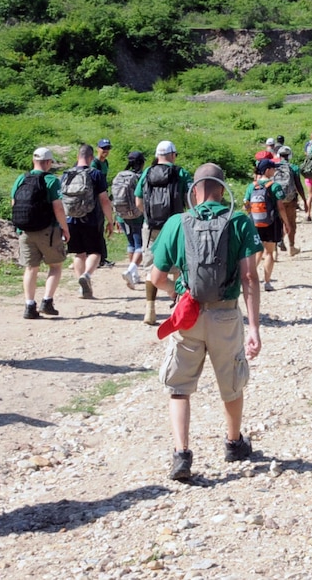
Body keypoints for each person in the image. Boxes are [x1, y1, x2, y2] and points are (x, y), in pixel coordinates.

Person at [150, 162, 262, 482]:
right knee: (232, 382)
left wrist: (179, 292)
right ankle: (233, 443)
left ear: (195, 190)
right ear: (222, 188)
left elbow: (156, 278)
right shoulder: (239, 220)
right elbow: (250, 277)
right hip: (226, 313)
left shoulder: (177, 222)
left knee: (179, 386)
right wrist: (253, 327)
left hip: (189, 314)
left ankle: (181, 454)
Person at [135, 141, 192, 325]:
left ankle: (149, 311)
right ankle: (177, 307)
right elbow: (190, 198)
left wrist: (149, 217)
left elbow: (138, 201)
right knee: (177, 267)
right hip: (176, 226)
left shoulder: (146, 173)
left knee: (151, 267)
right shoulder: (180, 173)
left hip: (151, 227)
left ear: (157, 155)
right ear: (173, 155)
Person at [11, 147, 71, 318]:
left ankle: (29, 306)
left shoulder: (21, 178)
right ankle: (47, 301)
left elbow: (13, 202)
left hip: (25, 230)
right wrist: (65, 228)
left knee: (31, 268)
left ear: (33, 161)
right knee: (55, 265)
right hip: (48, 230)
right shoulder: (51, 180)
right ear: (48, 162)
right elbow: (58, 208)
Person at [63, 144, 114, 299]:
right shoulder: (96, 174)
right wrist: (110, 221)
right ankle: (86, 275)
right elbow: (104, 200)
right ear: (91, 157)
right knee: (95, 252)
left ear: (78, 156)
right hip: (91, 219)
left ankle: (81, 288)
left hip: (71, 219)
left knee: (79, 253)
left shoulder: (66, 174)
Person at [244, 158, 291, 292]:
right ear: (268, 170)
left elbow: (246, 205)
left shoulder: (251, 186)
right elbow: (281, 207)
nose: (275, 170)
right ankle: (267, 282)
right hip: (271, 222)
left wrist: (252, 215)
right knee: (269, 252)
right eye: (273, 168)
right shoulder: (274, 186)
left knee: (257, 250)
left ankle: (249, 277)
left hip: (255, 222)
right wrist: (286, 223)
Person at [112, 150, 146, 288]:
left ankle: (134, 274)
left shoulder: (121, 175)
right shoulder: (140, 177)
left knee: (131, 243)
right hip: (137, 215)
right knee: (141, 246)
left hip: (122, 215)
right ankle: (130, 270)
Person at [273, 145, 308, 256]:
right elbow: (299, 185)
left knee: (278, 223)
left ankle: (274, 249)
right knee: (291, 223)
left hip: (277, 200)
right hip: (290, 200)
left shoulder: (274, 167)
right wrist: (305, 201)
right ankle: (291, 247)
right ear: (290, 156)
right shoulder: (293, 167)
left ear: (279, 155)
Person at [92, 138, 113, 268]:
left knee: (100, 227)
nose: (105, 151)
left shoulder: (105, 163)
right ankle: (100, 258)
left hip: (102, 196)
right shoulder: (94, 164)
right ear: (97, 148)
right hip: (95, 199)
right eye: (103, 148)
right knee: (98, 228)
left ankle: (100, 258)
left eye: (107, 148)